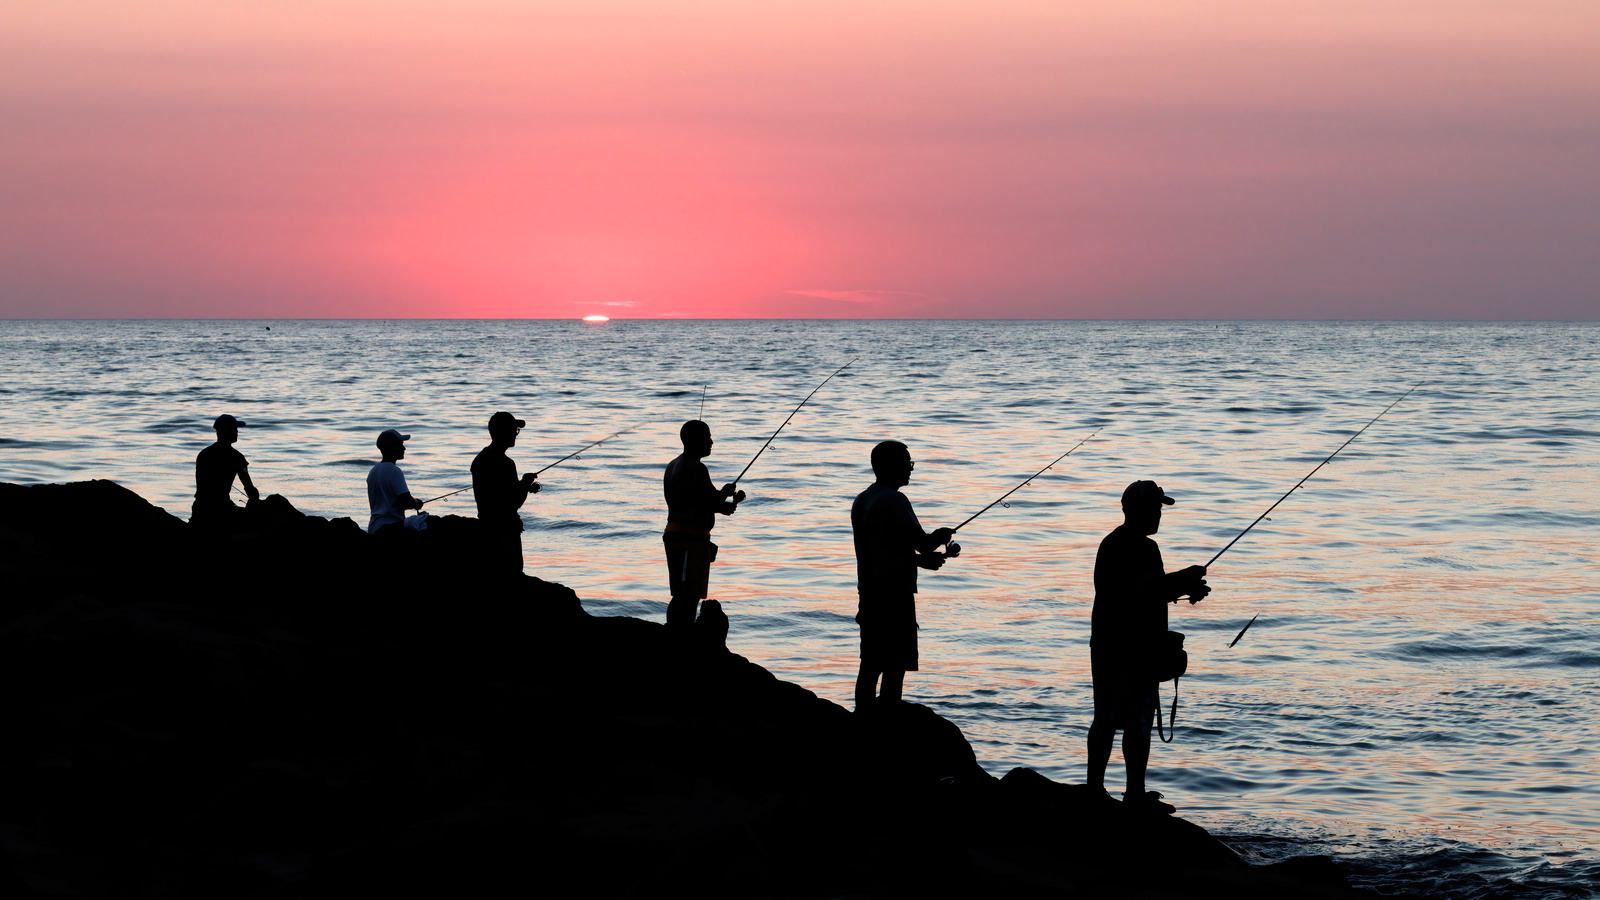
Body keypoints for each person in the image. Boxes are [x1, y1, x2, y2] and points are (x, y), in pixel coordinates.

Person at [1086, 480, 1211, 814]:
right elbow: (1147, 590)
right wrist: (1186, 577)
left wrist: (1185, 589)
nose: (1159, 515)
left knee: (1109, 718)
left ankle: (1096, 791)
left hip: (1109, 644)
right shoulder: (1137, 547)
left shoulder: (1114, 543)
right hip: (1130, 648)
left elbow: (1143, 592)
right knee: (1135, 719)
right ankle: (1133, 796)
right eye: (1156, 508)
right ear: (1139, 510)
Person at [851, 441, 955, 709]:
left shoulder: (863, 499)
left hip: (870, 592)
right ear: (886, 466)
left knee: (871, 663)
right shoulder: (895, 499)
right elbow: (923, 542)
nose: (910, 469)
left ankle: (862, 719)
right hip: (894, 595)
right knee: (895, 665)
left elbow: (881, 550)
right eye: (906, 463)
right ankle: (888, 722)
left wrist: (919, 562)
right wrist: (941, 536)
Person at [662, 420, 746, 629]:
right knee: (689, 596)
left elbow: (698, 502)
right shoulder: (696, 467)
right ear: (694, 440)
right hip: (690, 538)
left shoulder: (674, 464)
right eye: (707, 437)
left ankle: (675, 633)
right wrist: (725, 494)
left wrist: (723, 505)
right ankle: (681, 637)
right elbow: (711, 501)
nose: (711, 441)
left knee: (681, 593)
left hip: (676, 533)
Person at [471, 411, 541, 574]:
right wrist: (524, 483)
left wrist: (524, 486)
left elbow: (496, 492)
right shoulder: (505, 463)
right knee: (512, 575)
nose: (516, 434)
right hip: (505, 531)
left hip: (487, 527)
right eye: (514, 430)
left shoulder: (480, 459)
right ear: (504, 432)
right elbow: (514, 502)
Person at [192, 414, 259, 527]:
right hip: (222, 511)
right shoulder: (237, 457)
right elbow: (250, 491)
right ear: (228, 432)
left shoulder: (204, 454)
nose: (237, 432)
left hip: (200, 509)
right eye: (235, 429)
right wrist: (255, 497)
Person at [367, 429, 424, 536]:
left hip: (374, 528)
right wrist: (417, 503)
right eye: (401, 445)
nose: (404, 448)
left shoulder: (373, 471)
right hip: (389, 529)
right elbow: (405, 501)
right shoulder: (394, 471)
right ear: (393, 448)